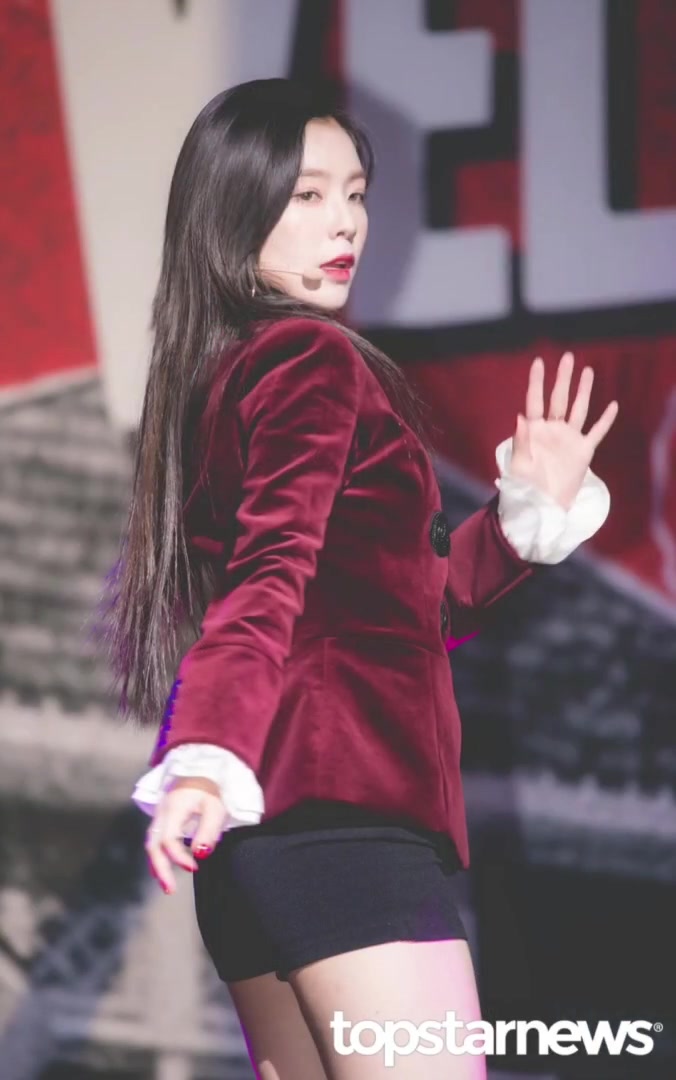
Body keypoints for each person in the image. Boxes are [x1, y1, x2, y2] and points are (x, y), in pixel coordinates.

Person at [100, 79, 618, 1079]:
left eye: (355, 194)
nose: (344, 222)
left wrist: (526, 520)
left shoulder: (229, 371)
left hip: (262, 851)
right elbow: (271, 574)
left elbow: (391, 607)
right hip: (342, 833)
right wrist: (204, 750)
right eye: (307, 195)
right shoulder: (309, 359)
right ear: (235, 208)